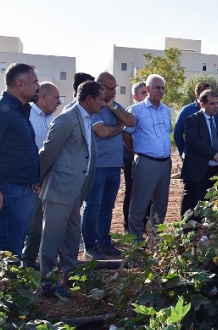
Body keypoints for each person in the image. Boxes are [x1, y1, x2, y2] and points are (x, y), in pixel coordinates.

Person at [38, 81, 101, 299]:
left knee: (72, 236)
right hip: (59, 189)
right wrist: (38, 181)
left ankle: (70, 275)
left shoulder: (86, 119)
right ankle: (47, 282)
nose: (104, 103)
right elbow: (47, 152)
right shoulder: (66, 119)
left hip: (75, 190)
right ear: (89, 99)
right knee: (52, 237)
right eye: (101, 99)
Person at [0, 63, 40, 258]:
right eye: (35, 81)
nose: (38, 86)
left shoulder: (18, 111)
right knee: (9, 255)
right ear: (20, 84)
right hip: (9, 191)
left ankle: (15, 287)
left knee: (15, 251)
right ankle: (8, 288)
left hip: (21, 190)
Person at [81, 72, 136, 260]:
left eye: (115, 88)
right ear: (101, 87)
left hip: (114, 165)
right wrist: (119, 126)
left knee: (107, 207)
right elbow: (102, 131)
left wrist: (113, 109)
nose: (114, 91)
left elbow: (131, 121)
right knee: (93, 206)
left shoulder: (112, 105)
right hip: (98, 166)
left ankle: (104, 242)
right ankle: (90, 245)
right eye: (111, 88)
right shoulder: (94, 108)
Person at [123, 74, 173, 242]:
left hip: (165, 163)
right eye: (157, 87)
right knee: (139, 204)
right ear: (147, 89)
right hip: (146, 162)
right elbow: (126, 134)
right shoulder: (136, 110)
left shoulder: (166, 111)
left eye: (163, 88)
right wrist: (136, 152)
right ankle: (135, 242)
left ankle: (155, 241)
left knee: (160, 205)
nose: (161, 91)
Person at [21, 82, 61, 267]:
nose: (59, 102)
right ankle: (15, 265)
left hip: (46, 181)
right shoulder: (26, 115)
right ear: (44, 97)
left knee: (37, 227)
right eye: (56, 98)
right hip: (27, 181)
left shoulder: (54, 119)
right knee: (25, 225)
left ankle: (28, 263)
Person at [180, 90, 218, 220]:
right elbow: (194, 141)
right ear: (202, 104)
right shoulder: (192, 120)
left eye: (217, 103)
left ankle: (203, 234)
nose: (216, 106)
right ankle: (187, 233)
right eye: (212, 103)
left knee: (210, 204)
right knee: (192, 204)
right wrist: (213, 153)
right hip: (197, 171)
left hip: (217, 170)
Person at [123, 81, 148, 233]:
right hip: (131, 158)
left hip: (148, 160)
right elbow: (126, 135)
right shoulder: (131, 112)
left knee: (148, 193)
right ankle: (128, 227)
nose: (147, 95)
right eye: (143, 93)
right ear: (134, 96)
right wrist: (135, 153)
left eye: (147, 92)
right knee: (132, 192)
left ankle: (144, 225)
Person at [174, 82, 212, 160]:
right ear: (197, 96)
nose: (209, 97)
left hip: (211, 157)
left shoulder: (215, 111)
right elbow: (177, 134)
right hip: (192, 158)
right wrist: (183, 153)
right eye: (206, 94)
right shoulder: (186, 111)